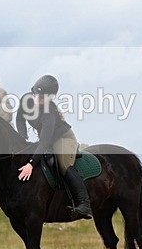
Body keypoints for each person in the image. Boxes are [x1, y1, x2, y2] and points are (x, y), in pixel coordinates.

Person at [15, 76, 92, 220]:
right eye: (37, 95)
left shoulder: (48, 113)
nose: (38, 99)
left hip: (63, 138)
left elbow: (44, 143)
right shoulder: (26, 100)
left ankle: (84, 204)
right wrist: (23, 137)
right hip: (47, 139)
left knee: (63, 165)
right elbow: (20, 118)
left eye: (43, 98)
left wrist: (31, 164)